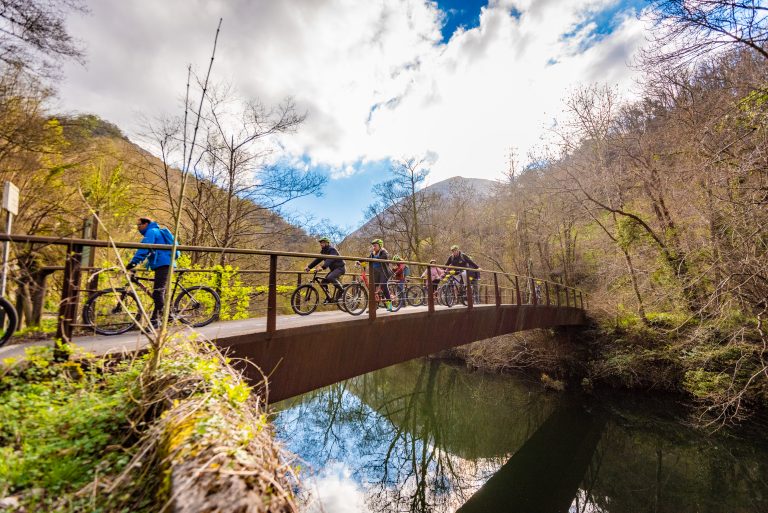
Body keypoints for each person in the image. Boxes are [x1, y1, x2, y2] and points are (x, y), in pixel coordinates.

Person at [126, 217, 178, 327]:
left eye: (139, 225)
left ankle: (158, 320)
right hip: (163, 264)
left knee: (158, 293)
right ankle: (166, 317)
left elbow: (144, 248)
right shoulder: (155, 231)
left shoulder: (151, 232)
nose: (138, 227)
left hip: (164, 264)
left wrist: (133, 263)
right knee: (160, 293)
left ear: (146, 224)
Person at [305, 237, 346, 304]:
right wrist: (309, 267)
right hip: (334, 270)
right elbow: (317, 260)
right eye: (320, 243)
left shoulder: (332, 250)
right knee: (323, 283)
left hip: (340, 268)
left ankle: (342, 291)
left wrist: (323, 267)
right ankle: (328, 297)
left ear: (327, 243)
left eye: (323, 242)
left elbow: (330, 259)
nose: (321, 244)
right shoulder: (323, 252)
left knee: (330, 277)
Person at [369, 239, 393, 311]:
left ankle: (390, 306)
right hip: (376, 273)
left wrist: (374, 258)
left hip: (384, 272)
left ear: (380, 246)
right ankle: (374, 307)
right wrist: (360, 261)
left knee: (383, 286)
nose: (374, 247)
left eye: (375, 246)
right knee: (374, 288)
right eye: (373, 246)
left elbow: (384, 257)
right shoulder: (373, 253)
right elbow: (367, 258)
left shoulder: (383, 251)